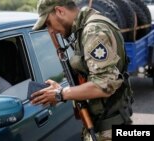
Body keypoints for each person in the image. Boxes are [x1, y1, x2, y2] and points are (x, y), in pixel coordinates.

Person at [31, 0, 133, 141]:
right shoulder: (85, 28)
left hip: (108, 131)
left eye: (49, 23)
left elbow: (104, 85)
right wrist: (61, 89)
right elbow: (92, 77)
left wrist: (61, 94)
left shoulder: (93, 31)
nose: (51, 31)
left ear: (60, 11)